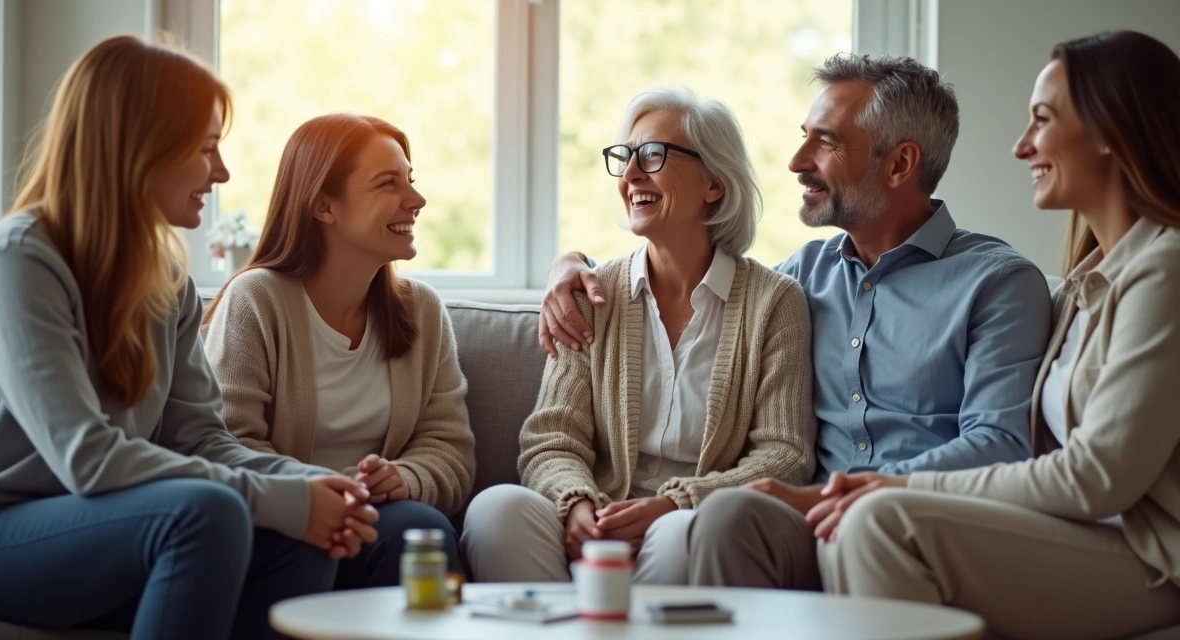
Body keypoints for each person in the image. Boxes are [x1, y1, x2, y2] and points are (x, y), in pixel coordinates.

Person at [540, 54, 1053, 590]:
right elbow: (696, 273)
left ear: (900, 164)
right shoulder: (800, 278)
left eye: (826, 142)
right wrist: (569, 265)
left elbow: (999, 444)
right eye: (804, 136)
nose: (796, 160)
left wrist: (846, 494)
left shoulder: (997, 283)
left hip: (920, 523)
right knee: (730, 516)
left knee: (734, 516)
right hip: (806, 526)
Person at [0, 36, 378, 640]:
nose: (222, 172)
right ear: (141, 147)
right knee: (204, 514)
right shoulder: (19, 260)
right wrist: (279, 500)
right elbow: (90, 458)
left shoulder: (166, 278)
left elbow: (201, 438)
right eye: (206, 148)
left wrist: (305, 486)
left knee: (306, 539)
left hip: (110, 527)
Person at [810, 30, 1180, 639]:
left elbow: (1096, 476)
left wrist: (901, 482)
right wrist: (593, 269)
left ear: (1112, 131)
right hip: (1088, 538)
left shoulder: (1165, 273)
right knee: (866, 519)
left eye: (1041, 120)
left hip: (1153, 558)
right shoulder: (1082, 289)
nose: (1021, 146)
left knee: (878, 520)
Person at [460, 87, 817, 585]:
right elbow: (551, 438)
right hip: (598, 514)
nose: (630, 176)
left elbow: (785, 454)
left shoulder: (774, 302)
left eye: (652, 155)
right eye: (624, 158)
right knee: (496, 509)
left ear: (714, 182)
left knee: (679, 532)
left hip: (691, 519)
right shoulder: (590, 293)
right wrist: (577, 504)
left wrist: (674, 503)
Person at [203, 113, 475, 588]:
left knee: (420, 529)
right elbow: (226, 444)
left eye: (410, 180)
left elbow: (450, 449)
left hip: (377, 525)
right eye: (388, 184)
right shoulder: (257, 300)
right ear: (325, 206)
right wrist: (325, 493)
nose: (417, 200)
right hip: (281, 526)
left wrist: (405, 479)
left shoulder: (423, 311)